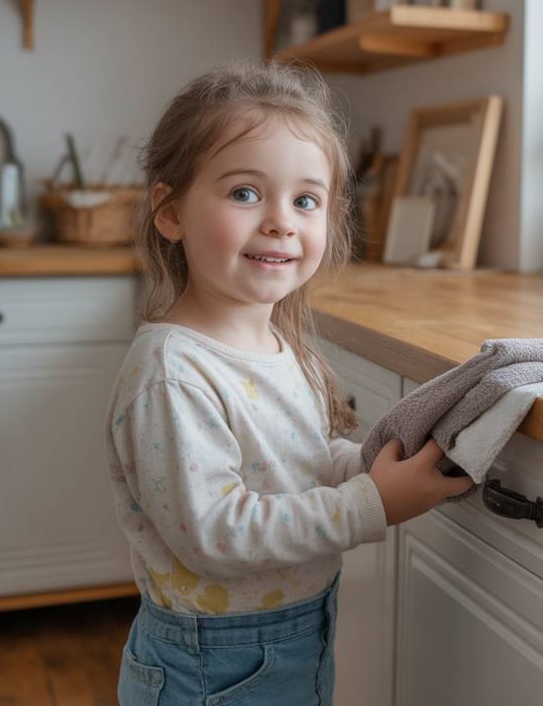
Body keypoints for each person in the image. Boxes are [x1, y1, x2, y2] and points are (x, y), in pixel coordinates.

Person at [105, 59, 472, 706]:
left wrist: (361, 464)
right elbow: (217, 532)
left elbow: (293, 458)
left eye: (306, 200)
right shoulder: (171, 373)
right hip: (212, 663)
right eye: (245, 193)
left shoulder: (277, 344)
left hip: (293, 631)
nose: (281, 221)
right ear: (170, 212)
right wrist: (370, 504)